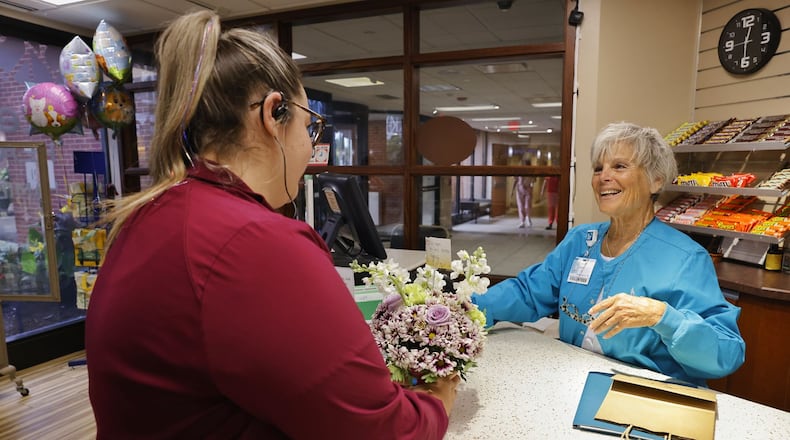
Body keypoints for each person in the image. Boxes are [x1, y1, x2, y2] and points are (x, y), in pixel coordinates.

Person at [85, 11, 458, 439]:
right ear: (273, 113)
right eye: (308, 125)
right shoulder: (256, 241)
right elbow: (382, 432)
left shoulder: (152, 214)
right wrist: (436, 400)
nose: (310, 146)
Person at [472, 122, 745, 386]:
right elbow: (528, 293)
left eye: (620, 166)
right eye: (598, 168)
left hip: (641, 396)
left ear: (656, 180)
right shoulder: (581, 240)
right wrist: (466, 313)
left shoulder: (685, 258)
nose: (604, 177)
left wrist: (663, 317)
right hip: (572, 380)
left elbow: (725, 355)